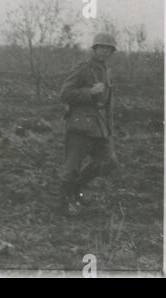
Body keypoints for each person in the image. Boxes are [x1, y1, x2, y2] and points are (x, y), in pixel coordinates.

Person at [59, 32, 119, 216]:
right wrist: (89, 91)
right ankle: (65, 202)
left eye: (108, 49)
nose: (104, 52)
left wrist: (109, 127)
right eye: (101, 48)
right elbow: (65, 93)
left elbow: (107, 101)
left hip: (100, 126)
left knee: (109, 162)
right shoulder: (83, 68)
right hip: (80, 125)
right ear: (95, 49)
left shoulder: (106, 70)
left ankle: (78, 187)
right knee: (72, 166)